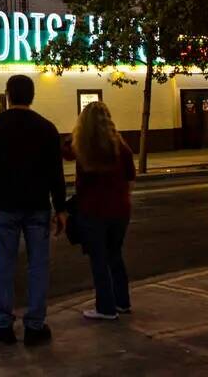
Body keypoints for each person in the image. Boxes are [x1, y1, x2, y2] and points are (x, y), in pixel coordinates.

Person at [0, 74, 67, 346]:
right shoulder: (47, 129)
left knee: (4, 267)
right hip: (38, 207)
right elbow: (56, 175)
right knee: (38, 267)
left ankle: (3, 325)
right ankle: (35, 326)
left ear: (8, 95)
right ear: (32, 96)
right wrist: (60, 208)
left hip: (5, 207)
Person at [64, 101, 135, 321]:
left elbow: (65, 152)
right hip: (120, 211)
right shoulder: (121, 147)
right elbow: (131, 179)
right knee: (115, 255)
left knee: (99, 259)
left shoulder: (83, 148)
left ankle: (105, 308)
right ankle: (122, 302)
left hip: (92, 211)